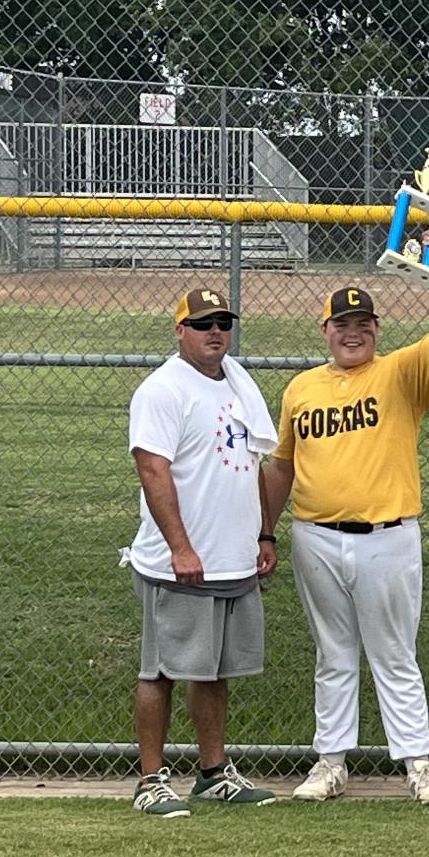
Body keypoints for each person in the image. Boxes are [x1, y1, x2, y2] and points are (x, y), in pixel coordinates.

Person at [264, 240, 429, 807]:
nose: (353, 332)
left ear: (377, 328)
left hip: (388, 536)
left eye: (364, 323)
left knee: (395, 654)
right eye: (342, 322)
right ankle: (330, 763)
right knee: (334, 654)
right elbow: (282, 466)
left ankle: (419, 765)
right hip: (315, 536)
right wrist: (264, 532)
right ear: (324, 329)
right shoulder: (301, 388)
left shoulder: (400, 372)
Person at [124, 287, 280, 816]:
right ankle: (150, 781)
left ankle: (212, 772)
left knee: (213, 670)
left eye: (223, 322)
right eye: (202, 323)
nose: (215, 332)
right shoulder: (164, 389)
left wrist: (263, 534)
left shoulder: (237, 383)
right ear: (180, 331)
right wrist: (180, 548)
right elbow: (152, 469)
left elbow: (253, 460)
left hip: (232, 555)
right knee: (162, 669)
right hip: (181, 563)